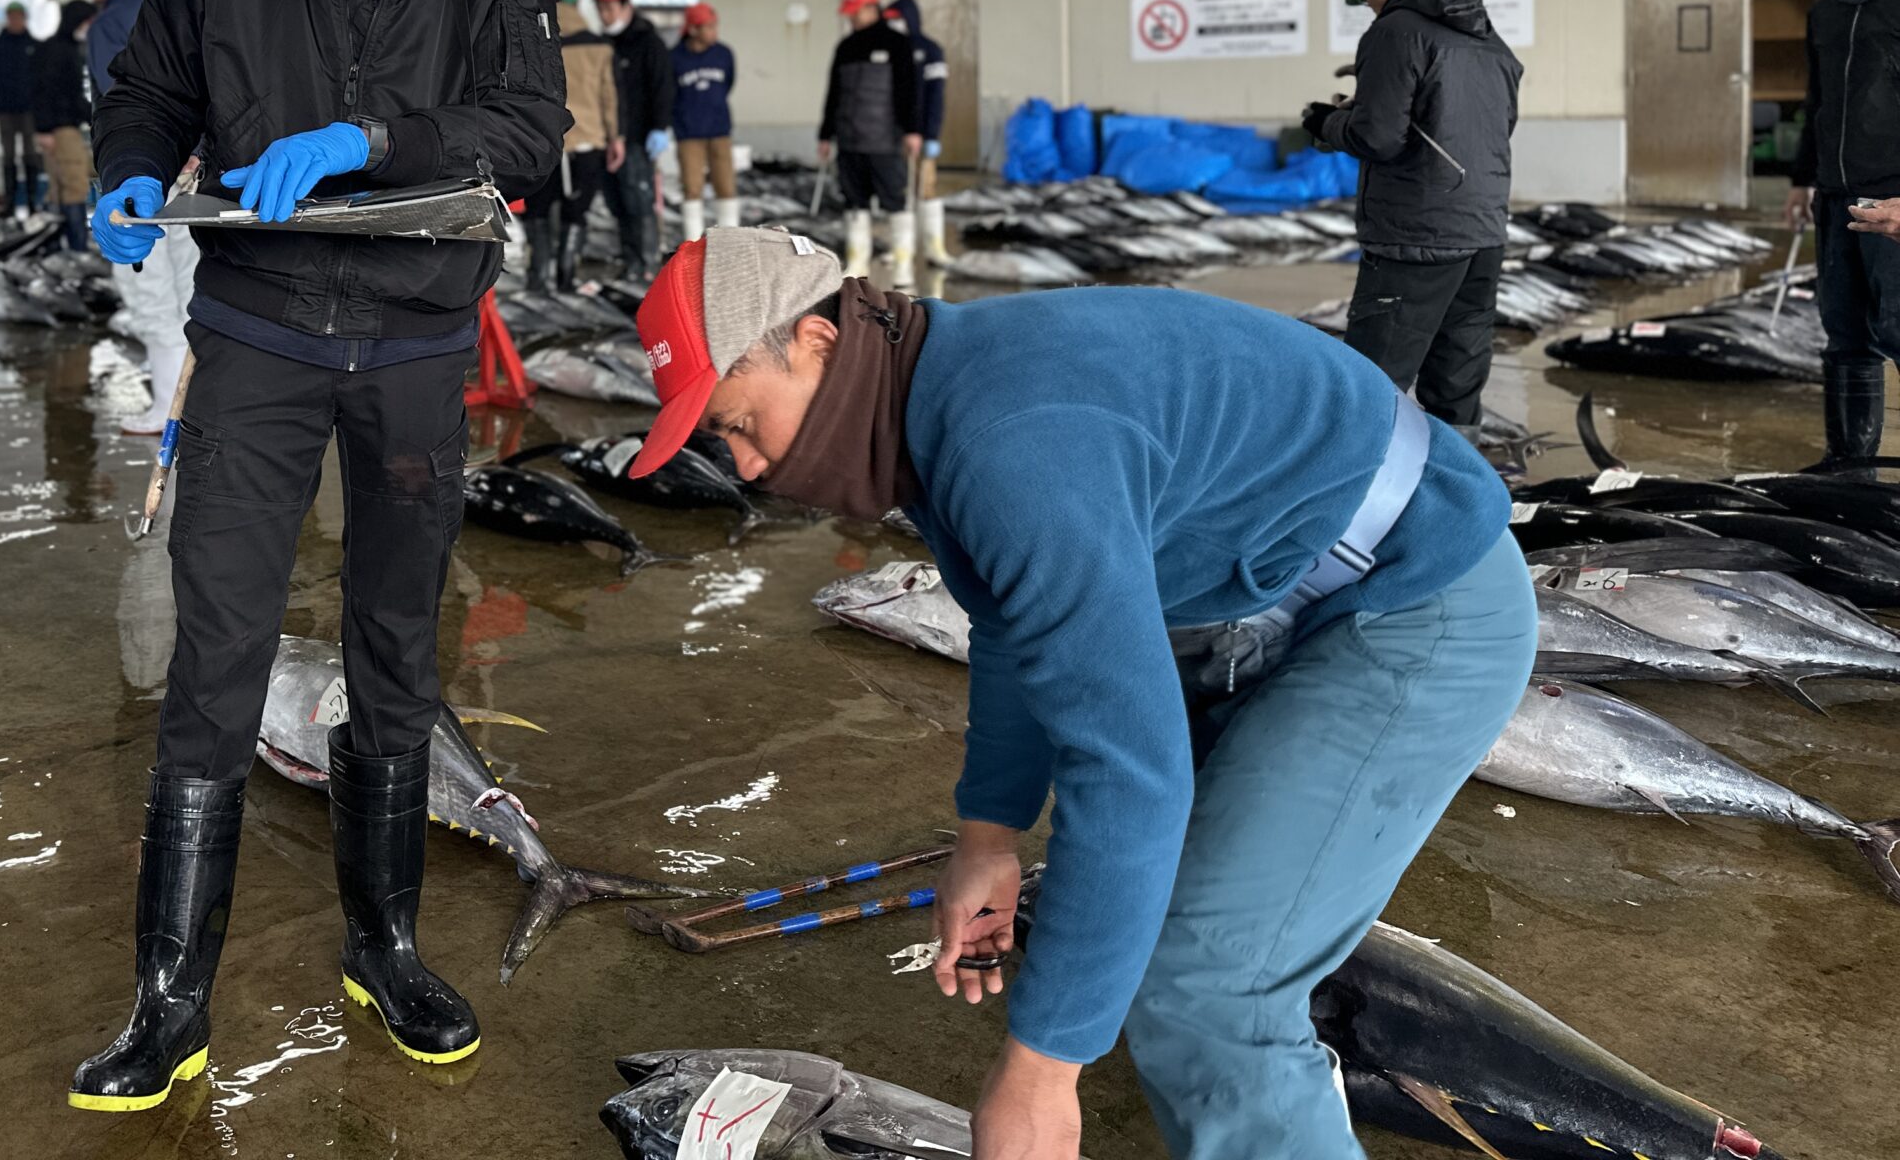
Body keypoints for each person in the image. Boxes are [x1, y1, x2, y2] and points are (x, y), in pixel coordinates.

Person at [621, 227, 1536, 1160]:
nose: (744, 468)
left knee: (1204, 988)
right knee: (1130, 918)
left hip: (1420, 602)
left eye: (737, 423)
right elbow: (1018, 620)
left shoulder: (1009, 439)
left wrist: (1042, 1071)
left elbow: (1132, 776)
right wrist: (989, 833)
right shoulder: (937, 390)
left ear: (816, 343)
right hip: (1287, 595)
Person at [74, 0, 565, 1109]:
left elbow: (530, 130)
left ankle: (387, 944)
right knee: (216, 657)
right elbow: (153, 87)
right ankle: (169, 1003)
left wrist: (368, 139)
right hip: (264, 337)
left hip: (415, 343)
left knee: (399, 650)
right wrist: (125, 175)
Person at [1302, 0, 1522, 442]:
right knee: (1458, 372)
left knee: (1375, 378)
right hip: (1484, 227)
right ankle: (1457, 494)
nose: (1370, 8)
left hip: (1417, 232)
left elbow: (1379, 138)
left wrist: (1325, 123)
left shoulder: (1394, 32)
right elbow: (1481, 124)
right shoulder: (1488, 37)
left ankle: (1357, 498)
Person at [1783, 0, 1900, 472]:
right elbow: (1819, 102)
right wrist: (1803, 180)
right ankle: (1849, 470)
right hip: (1837, 198)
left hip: (1896, 198)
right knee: (1847, 337)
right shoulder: (1825, 13)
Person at [84, 0, 197, 436]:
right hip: (195, 170)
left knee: (149, 287)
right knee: (192, 285)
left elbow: (125, 101)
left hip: (142, 172)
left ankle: (167, 412)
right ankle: (193, 406)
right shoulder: (179, 5)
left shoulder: (111, 21)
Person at [819, 0, 921, 286]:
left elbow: (909, 91)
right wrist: (825, 134)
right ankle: (858, 262)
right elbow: (833, 93)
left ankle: (903, 266)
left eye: (854, 11)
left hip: (885, 141)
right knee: (854, 202)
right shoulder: (846, 47)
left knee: (896, 201)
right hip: (849, 142)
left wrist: (913, 130)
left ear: (870, 8)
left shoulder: (897, 44)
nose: (850, 18)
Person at [531, 0, 621, 294]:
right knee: (576, 212)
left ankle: (537, 279)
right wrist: (615, 138)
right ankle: (566, 279)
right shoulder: (597, 45)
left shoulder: (535, 42)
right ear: (576, 2)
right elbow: (607, 97)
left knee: (539, 210)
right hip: (587, 140)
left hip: (543, 141)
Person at [593, 0, 674, 282]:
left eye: (610, 8)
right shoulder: (605, 44)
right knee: (618, 204)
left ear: (626, 6)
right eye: (600, 8)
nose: (605, 14)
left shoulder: (648, 43)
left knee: (639, 203)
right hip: (610, 138)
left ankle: (647, 263)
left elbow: (663, 88)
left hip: (639, 139)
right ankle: (631, 261)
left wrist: (660, 127)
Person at [887, 0, 951, 270]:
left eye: (897, 20)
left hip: (923, 135)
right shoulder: (890, 50)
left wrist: (932, 134)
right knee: (898, 190)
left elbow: (936, 97)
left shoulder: (930, 50)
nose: (893, 25)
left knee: (925, 188)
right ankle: (902, 249)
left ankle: (934, 247)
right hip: (893, 135)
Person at [31, 0, 96, 252]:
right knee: (74, 186)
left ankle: (59, 248)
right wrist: (45, 128)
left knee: (60, 188)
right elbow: (44, 91)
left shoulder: (60, 48)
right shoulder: (60, 51)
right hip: (60, 129)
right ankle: (77, 247)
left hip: (58, 127)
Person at [670, 2, 737, 240]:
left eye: (714, 26)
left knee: (726, 186)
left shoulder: (724, 54)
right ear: (694, 29)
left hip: (719, 129)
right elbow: (671, 94)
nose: (713, 32)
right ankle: (693, 244)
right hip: (688, 133)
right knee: (692, 188)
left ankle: (730, 242)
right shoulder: (675, 58)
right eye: (708, 27)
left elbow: (728, 83)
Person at [0, 2, 41, 215]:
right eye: (12, 17)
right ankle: (10, 202)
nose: (15, 21)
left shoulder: (34, 45)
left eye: (19, 17)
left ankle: (33, 201)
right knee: (8, 156)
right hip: (5, 108)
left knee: (30, 154)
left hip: (29, 109)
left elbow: (41, 79)